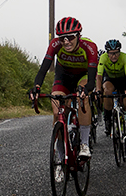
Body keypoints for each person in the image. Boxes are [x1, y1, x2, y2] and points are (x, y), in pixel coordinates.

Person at [29, 16, 100, 159]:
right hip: (64, 75)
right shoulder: (55, 45)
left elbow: (91, 82)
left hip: (83, 75)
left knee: (83, 98)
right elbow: (43, 68)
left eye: (70, 37)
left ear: (78, 36)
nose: (66, 41)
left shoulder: (89, 47)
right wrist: (36, 87)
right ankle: (61, 156)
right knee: (57, 110)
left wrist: (86, 90)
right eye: (62, 38)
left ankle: (84, 144)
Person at [97, 39, 126, 150]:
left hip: (123, 80)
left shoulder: (124, 57)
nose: (114, 56)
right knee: (107, 92)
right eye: (111, 53)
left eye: (116, 53)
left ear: (120, 51)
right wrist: (98, 90)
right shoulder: (103, 58)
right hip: (110, 79)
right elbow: (99, 76)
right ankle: (108, 119)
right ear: (107, 53)